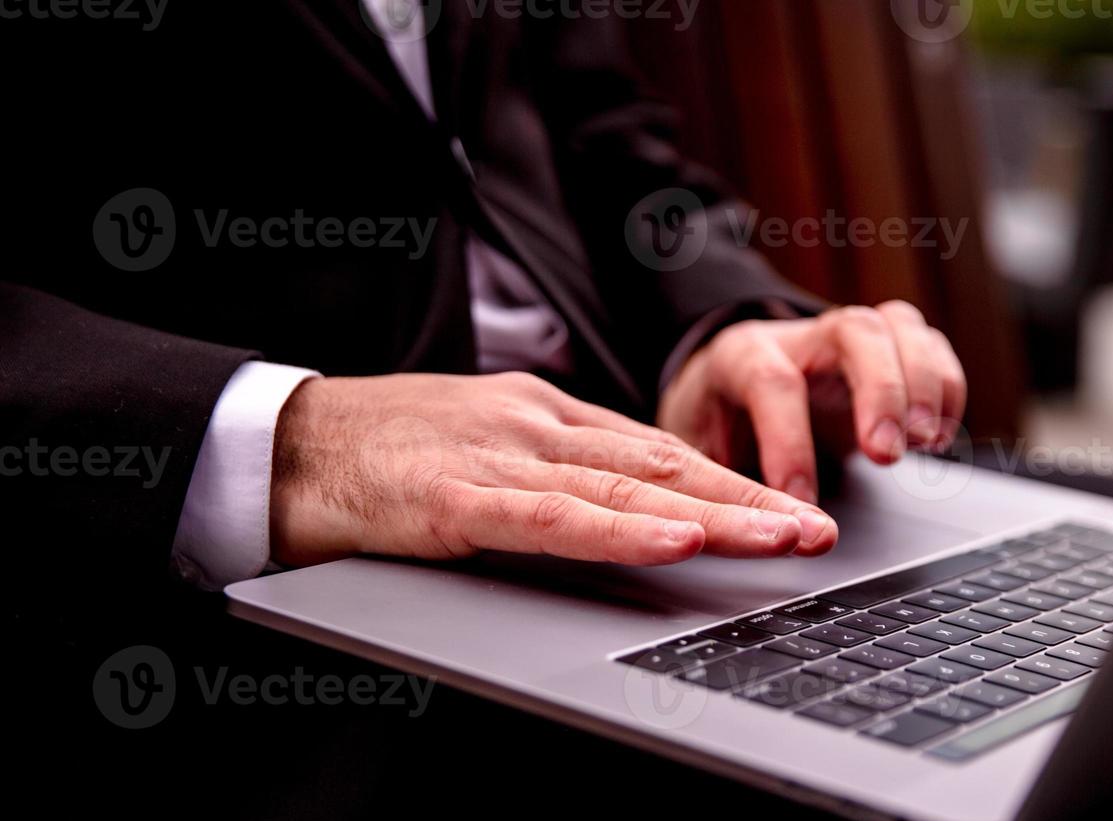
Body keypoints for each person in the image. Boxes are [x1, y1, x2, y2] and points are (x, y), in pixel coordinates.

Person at [2, 1, 967, 595]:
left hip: (618, 488)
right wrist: (292, 446)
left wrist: (724, 326)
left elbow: (605, 135)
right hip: (239, 606)